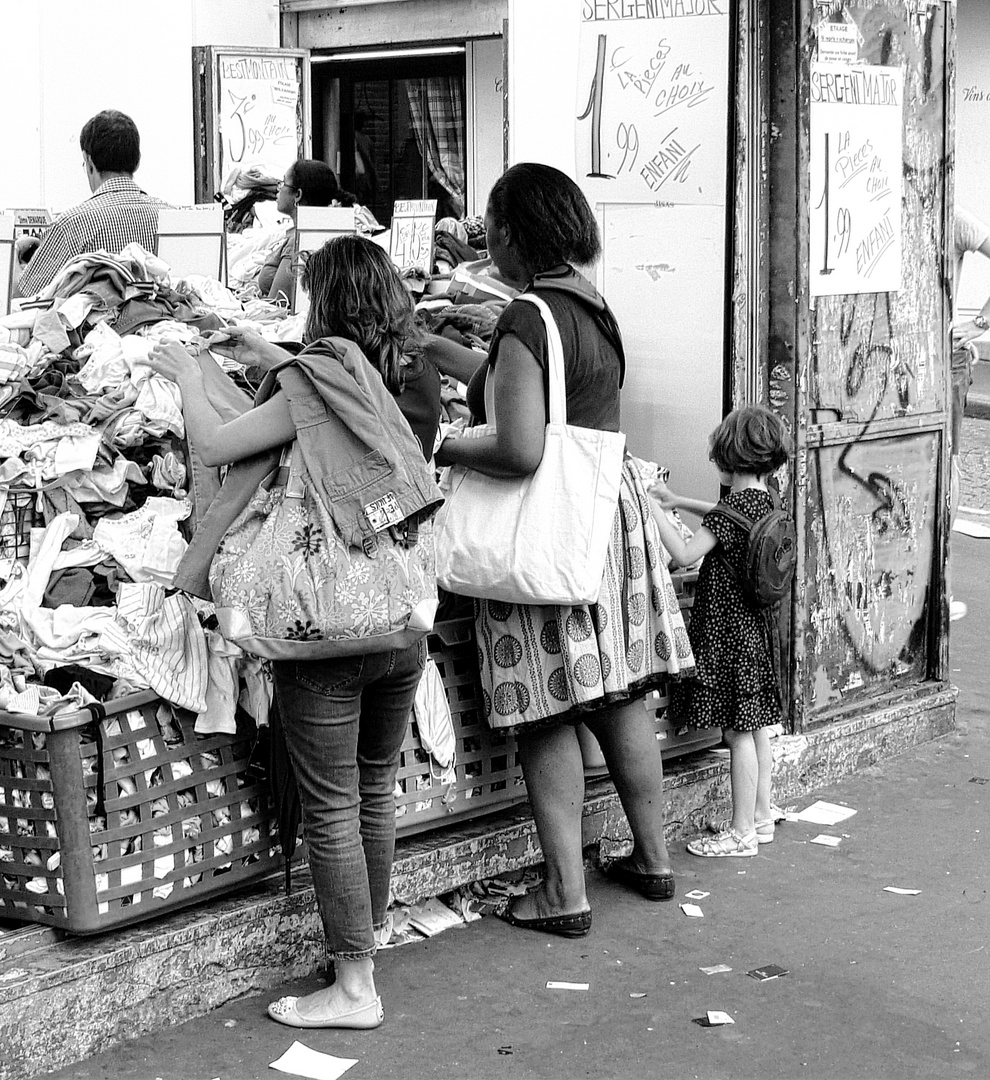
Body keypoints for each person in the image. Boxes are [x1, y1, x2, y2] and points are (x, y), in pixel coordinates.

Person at [147, 236, 440, 1031]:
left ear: (325, 305)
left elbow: (217, 445)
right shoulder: (389, 381)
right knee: (374, 783)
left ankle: (353, 987)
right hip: (400, 622)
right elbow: (301, 409)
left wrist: (186, 378)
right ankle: (368, 935)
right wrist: (257, 353)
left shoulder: (312, 379)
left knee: (334, 804)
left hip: (325, 633)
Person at [434, 163, 692, 935]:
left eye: (491, 226)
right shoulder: (591, 305)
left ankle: (563, 893)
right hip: (607, 522)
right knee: (618, 696)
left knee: (548, 710)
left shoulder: (526, 315)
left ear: (513, 233)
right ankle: (652, 857)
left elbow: (517, 448)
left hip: (545, 531)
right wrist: (442, 351)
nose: (487, 240)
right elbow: (542, 396)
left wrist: (447, 444)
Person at [647, 407, 789, 857]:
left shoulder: (729, 512)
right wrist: (680, 501)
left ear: (728, 458)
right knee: (758, 727)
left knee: (738, 734)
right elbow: (726, 516)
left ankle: (741, 831)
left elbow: (687, 554)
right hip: (755, 631)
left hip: (728, 632)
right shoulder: (765, 500)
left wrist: (651, 507)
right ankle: (762, 814)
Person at [14, 110, 164, 298]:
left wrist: (15, 252)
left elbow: (22, 298)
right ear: (138, 160)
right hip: (170, 325)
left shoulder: (70, 225)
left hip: (96, 327)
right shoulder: (173, 219)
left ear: (88, 160)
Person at [949, 206, 990, 621]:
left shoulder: (956, 219)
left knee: (947, 462)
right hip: (899, 356)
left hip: (945, 356)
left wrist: (979, 322)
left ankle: (941, 573)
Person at [257, 159, 356, 306]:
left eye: (283, 183)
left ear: (297, 195)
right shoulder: (320, 231)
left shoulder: (297, 242)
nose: (278, 189)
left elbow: (277, 304)